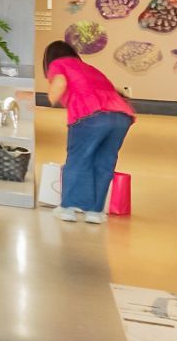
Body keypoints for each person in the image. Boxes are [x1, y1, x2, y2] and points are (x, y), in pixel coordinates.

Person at [37, 37, 132, 223]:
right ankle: (95, 212)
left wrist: (44, 101)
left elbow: (59, 85)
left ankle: (68, 208)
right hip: (121, 116)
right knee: (104, 162)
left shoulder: (58, 64)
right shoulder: (88, 68)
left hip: (91, 115)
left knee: (78, 159)